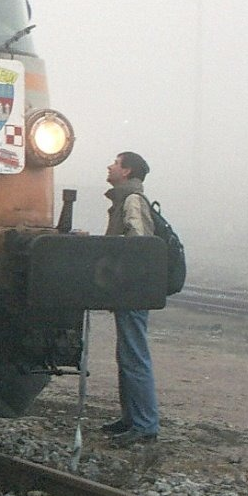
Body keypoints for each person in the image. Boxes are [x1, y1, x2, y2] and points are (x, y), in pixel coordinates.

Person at [100, 151, 159, 447]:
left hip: (132, 290)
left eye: (115, 162)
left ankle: (145, 425)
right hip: (128, 289)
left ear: (127, 171)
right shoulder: (125, 199)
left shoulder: (132, 201)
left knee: (135, 356)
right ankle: (132, 419)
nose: (110, 166)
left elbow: (139, 245)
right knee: (128, 355)